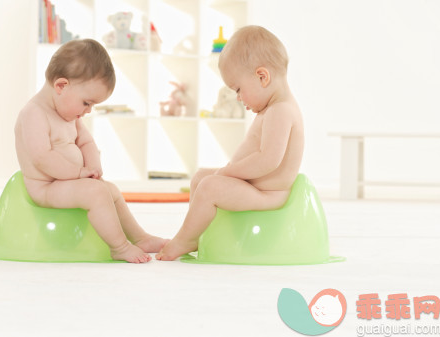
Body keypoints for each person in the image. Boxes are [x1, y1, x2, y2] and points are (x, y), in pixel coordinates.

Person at [156, 26, 304, 261]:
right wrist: (226, 173)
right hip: (256, 189)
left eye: (238, 89)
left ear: (262, 76)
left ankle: (186, 239)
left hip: (268, 195)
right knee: (200, 178)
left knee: (209, 186)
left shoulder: (281, 111)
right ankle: (200, 232)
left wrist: (228, 171)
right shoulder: (272, 109)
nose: (238, 97)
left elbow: (268, 160)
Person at [15, 39, 167, 263]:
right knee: (96, 193)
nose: (88, 111)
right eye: (86, 103)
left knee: (110, 190)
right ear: (61, 86)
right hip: (46, 189)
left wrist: (93, 166)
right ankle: (119, 247)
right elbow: (42, 158)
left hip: (67, 182)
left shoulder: (68, 114)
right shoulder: (34, 113)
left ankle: (140, 237)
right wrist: (78, 173)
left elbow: (86, 142)